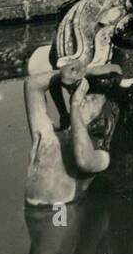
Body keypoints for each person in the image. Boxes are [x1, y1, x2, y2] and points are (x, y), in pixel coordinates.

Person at [23, 63, 121, 207]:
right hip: (31, 211)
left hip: (60, 212)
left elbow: (84, 161)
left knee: (57, 222)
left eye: (92, 99)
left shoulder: (100, 155)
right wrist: (81, 74)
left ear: (101, 116)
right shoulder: (50, 135)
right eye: (84, 95)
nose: (83, 98)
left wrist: (74, 106)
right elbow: (32, 85)